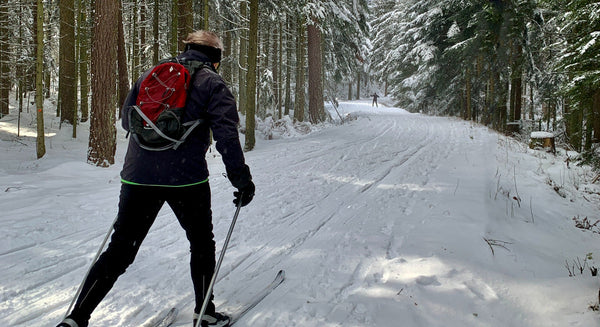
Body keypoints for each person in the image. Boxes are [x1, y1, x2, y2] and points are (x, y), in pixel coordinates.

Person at [57, 30, 254, 327]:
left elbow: (127, 120)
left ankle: (76, 317)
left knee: (121, 247)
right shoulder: (213, 83)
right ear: (217, 59)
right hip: (186, 179)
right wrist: (241, 180)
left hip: (138, 177)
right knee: (201, 242)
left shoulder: (153, 73)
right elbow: (226, 135)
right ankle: (205, 313)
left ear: (186, 48)